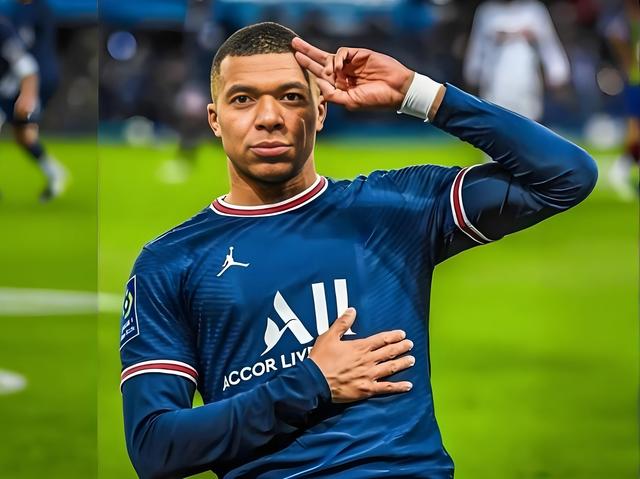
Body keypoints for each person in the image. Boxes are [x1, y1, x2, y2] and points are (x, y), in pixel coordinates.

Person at [119, 22, 597, 479]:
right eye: (243, 99)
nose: (269, 118)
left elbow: (566, 176)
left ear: (321, 110)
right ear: (214, 120)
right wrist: (311, 383)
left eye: (291, 97)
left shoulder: (393, 207)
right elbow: (155, 448)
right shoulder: (170, 263)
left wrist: (419, 94)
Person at [0, 4, 66, 202]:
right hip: (15, 84)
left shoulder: (8, 27)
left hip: (18, 85)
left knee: (25, 134)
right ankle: (54, 172)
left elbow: (26, 65)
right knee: (23, 135)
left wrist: (28, 95)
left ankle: (54, 173)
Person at [464, 0, 570, 122]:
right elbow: (477, 46)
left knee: (527, 121)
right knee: (497, 121)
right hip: (495, 84)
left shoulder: (534, 10)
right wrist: (473, 72)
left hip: (526, 82)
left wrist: (557, 72)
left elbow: (548, 44)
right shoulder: (486, 11)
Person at [604, 0, 639, 199]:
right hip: (636, 82)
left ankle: (623, 168)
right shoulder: (625, 21)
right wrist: (627, 61)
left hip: (634, 81)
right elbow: (614, 35)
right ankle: (622, 168)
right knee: (634, 129)